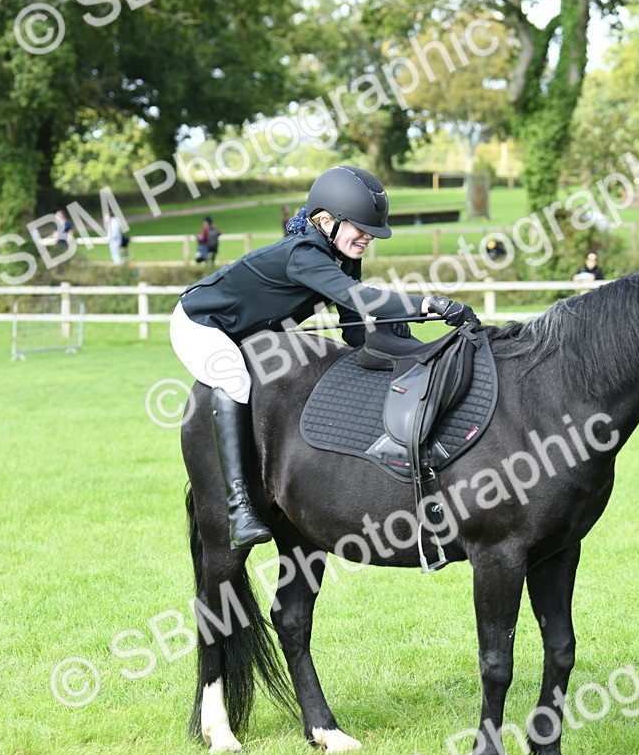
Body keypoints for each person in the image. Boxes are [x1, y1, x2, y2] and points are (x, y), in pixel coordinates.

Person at [170, 165, 477, 550]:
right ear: (326, 221)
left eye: (372, 231)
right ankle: (239, 507)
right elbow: (362, 300)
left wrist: (413, 344)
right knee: (233, 377)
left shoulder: (342, 256)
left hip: (255, 331)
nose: (367, 237)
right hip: (202, 323)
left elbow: (352, 329)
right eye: (360, 228)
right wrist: (428, 303)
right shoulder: (303, 255)